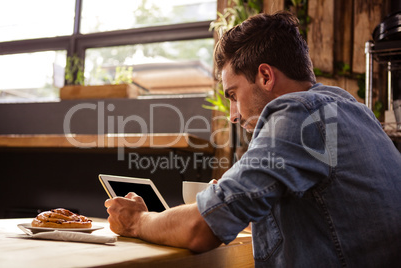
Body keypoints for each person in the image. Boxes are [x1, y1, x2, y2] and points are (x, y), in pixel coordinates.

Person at [105, 11, 401, 267]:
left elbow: (201, 229)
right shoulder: (350, 109)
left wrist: (136, 221)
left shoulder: (298, 113)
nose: (233, 115)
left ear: (265, 77)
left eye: (233, 95)